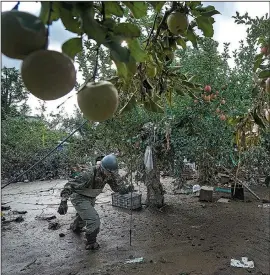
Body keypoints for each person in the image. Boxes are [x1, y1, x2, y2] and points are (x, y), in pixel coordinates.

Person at [57, 154, 128, 250]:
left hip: (91, 197)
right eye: (109, 172)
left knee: (83, 216)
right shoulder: (89, 173)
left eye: (112, 173)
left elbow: (116, 187)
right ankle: (91, 242)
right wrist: (63, 201)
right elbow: (70, 185)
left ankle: (76, 227)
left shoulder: (110, 173)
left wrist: (125, 189)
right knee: (93, 219)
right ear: (102, 168)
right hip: (79, 196)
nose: (110, 174)